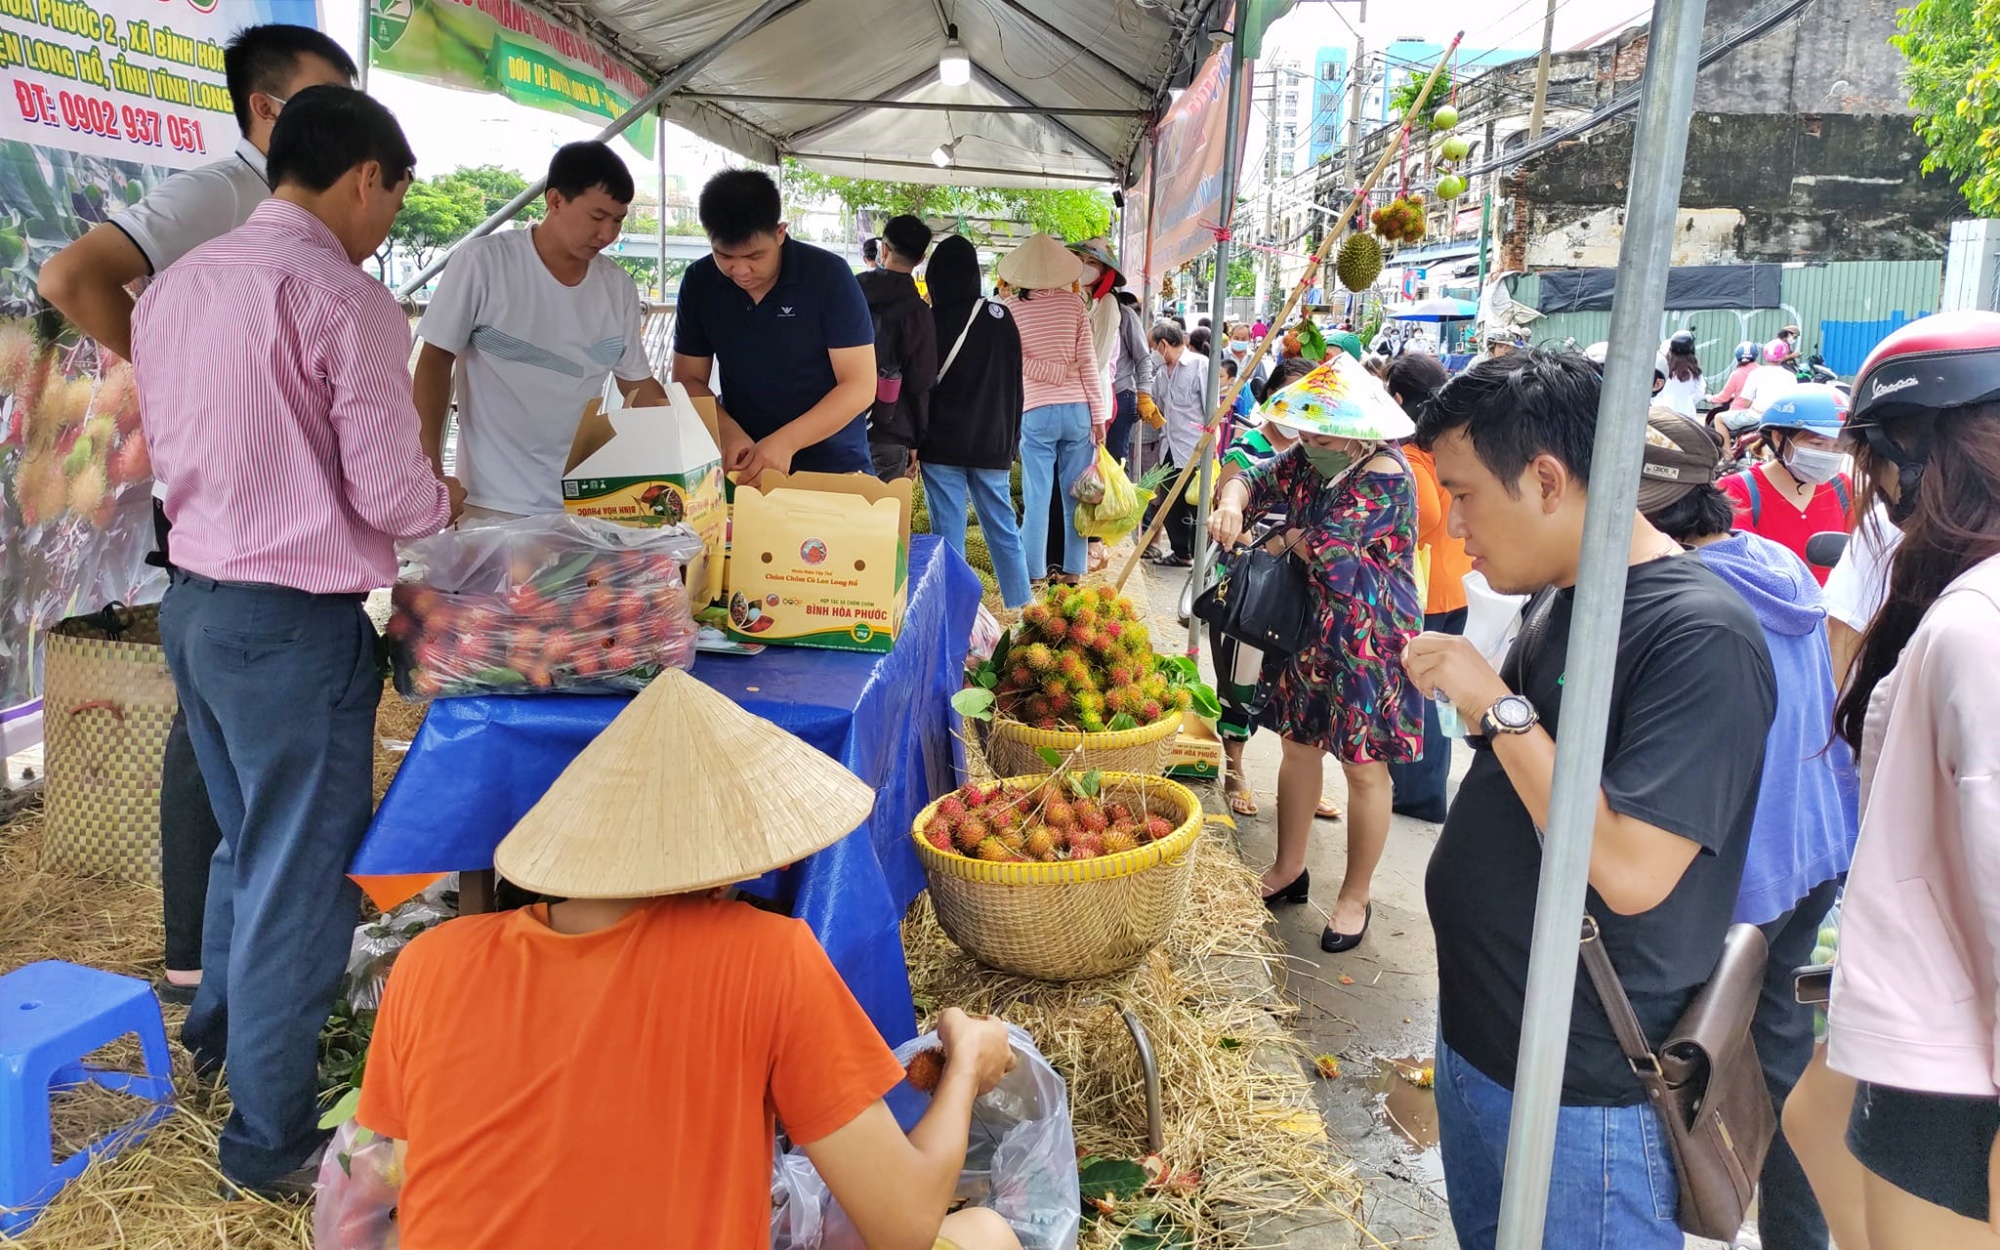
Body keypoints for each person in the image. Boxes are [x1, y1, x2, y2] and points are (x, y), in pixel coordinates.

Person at [356, 671, 1023, 1250]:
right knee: (985, 1235)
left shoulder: (428, 964)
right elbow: (902, 1225)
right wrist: (965, 1064)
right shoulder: (766, 960)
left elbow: (414, 1176)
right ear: (737, 863)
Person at [132, 85, 458, 1199]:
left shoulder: (177, 285)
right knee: (301, 877)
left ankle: (225, 1042)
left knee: (243, 842)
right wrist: (439, 495)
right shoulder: (347, 300)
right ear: (366, 175)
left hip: (198, 605)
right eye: (395, 198)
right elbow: (392, 491)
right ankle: (271, 1140)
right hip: (288, 621)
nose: (388, 224)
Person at [1403, 351, 1776, 1250]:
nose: (1454, 526)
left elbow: (1629, 869)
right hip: (1483, 1047)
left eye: (1465, 496)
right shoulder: (1566, 595)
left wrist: (1494, 703)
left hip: (1587, 1094)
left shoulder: (1699, 636)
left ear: (1545, 480)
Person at [34, 22, 357, 1006]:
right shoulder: (223, 190)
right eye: (323, 100)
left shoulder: (300, 207)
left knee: (232, 731)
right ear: (266, 109)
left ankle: (233, 955)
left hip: (276, 514)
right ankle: (195, 955)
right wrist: (171, 371)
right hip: (228, 514)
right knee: (208, 728)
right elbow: (70, 277)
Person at [1787, 311, 2000, 1250]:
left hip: (1953, 1069)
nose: (1868, 489)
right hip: (1925, 1023)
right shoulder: (1963, 605)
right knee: (1811, 1118)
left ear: (1923, 446)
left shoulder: (1977, 626)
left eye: (1872, 459)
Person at [1637, 408, 1857, 1250]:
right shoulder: (1774, 565)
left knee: (1688, 1063)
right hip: (1809, 854)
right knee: (1778, 1054)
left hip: (1736, 868)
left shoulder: (1686, 598)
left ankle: (1694, 1217)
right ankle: (1799, 1238)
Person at [1207, 355, 1423, 954]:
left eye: (1321, 434)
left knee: (1362, 767)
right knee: (1298, 747)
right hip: (1309, 631)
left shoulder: (1387, 476)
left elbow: (1328, 548)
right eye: (1303, 431)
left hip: (1370, 639)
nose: (1307, 443)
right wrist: (1231, 496)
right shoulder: (1308, 458)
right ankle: (1287, 867)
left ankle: (1356, 895)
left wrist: (1272, 534)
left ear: (1356, 432)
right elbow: (1253, 474)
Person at [414, 142, 664, 521]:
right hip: (490, 501)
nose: (607, 233)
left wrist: (688, 452)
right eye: (597, 216)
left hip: (585, 500)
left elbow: (637, 384)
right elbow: (433, 364)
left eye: (618, 220)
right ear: (555, 200)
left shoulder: (618, 288)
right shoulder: (484, 263)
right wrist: (429, 470)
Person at [672, 170, 876, 482]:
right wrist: (727, 432)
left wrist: (786, 442)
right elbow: (687, 378)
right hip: (744, 465)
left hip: (834, 467)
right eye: (724, 256)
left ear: (780, 233)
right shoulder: (700, 282)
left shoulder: (827, 277)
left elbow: (860, 385)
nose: (740, 270)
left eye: (754, 256)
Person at [1210, 355, 1312, 818]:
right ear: (1271, 399)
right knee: (1242, 679)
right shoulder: (1246, 448)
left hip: (1300, 585)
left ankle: (1301, 783)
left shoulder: (1315, 452)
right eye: (1291, 398)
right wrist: (1258, 540)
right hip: (1253, 582)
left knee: (1294, 683)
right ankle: (1234, 769)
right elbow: (1229, 507)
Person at [917, 235, 1033, 608]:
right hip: (991, 441)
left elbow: (920, 386)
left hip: (941, 442)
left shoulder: (930, 321)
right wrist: (1011, 440)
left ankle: (956, 614)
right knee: (1002, 527)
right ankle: (1021, 608)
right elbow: (1016, 383)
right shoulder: (1001, 318)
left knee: (948, 532)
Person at [1381, 353, 1467, 824]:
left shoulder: (1411, 457)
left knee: (1421, 697)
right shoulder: (1446, 445)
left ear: (1397, 398)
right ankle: (1425, 786)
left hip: (1427, 592)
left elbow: (1428, 517)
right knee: (1438, 694)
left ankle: (1420, 794)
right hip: (1455, 586)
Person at [999, 234, 1103, 585]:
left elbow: (1015, 362)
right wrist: (1099, 416)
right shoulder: (1075, 305)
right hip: (1078, 410)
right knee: (1076, 495)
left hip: (1036, 412)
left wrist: (1049, 373)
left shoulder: (1011, 309)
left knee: (1037, 497)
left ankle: (1034, 572)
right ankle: (1074, 572)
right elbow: (1088, 363)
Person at [1721, 383, 1853, 583]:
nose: (1828, 454)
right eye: (1817, 444)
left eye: (1838, 447)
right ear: (1778, 438)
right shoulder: (1735, 491)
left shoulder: (1842, 487)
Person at [857, 214, 937, 482]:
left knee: (837, 514)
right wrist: (917, 438)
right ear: (921, 258)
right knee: (883, 516)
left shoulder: (851, 292)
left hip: (840, 423)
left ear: (884, 249)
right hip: (892, 430)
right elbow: (921, 380)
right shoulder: (919, 313)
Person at [1145, 320, 1209, 567]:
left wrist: (1208, 447)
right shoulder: (1161, 373)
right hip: (1169, 446)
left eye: (1153, 347)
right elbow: (1156, 404)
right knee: (1171, 503)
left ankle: (1200, 555)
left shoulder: (1199, 365)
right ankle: (1182, 553)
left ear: (1163, 345)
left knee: (1194, 503)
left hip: (1193, 447)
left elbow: (1210, 409)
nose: (1152, 353)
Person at [1730, 338, 1805, 427]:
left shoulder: (1755, 373)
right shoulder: (1790, 376)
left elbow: (1746, 402)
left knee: (1719, 419)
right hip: (1781, 419)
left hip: (1756, 416)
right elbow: (1793, 400)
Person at [1709, 340, 1763, 416]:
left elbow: (1724, 397)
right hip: (1760, 413)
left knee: (1718, 419)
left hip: (1739, 413)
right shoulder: (1763, 371)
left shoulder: (1736, 374)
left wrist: (1710, 398)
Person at [1657, 330, 1704, 418]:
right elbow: (1700, 392)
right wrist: (1688, 401)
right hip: (1687, 413)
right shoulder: (1694, 370)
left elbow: (1656, 390)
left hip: (1664, 411)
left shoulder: (1664, 366)